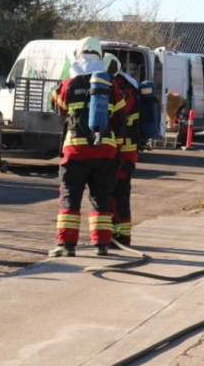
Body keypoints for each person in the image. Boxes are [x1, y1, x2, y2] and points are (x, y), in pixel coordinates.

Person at [48, 37, 127, 257]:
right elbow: (121, 118)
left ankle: (66, 245)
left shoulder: (70, 83)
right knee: (101, 196)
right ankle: (101, 245)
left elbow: (56, 106)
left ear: (78, 54)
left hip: (75, 151)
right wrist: (116, 149)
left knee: (70, 196)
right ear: (100, 56)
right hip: (105, 151)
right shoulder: (110, 83)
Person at [104, 53, 139, 247]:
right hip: (117, 149)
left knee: (120, 193)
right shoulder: (120, 85)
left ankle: (123, 237)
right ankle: (113, 234)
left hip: (125, 151)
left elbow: (119, 114)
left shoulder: (125, 89)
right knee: (111, 192)